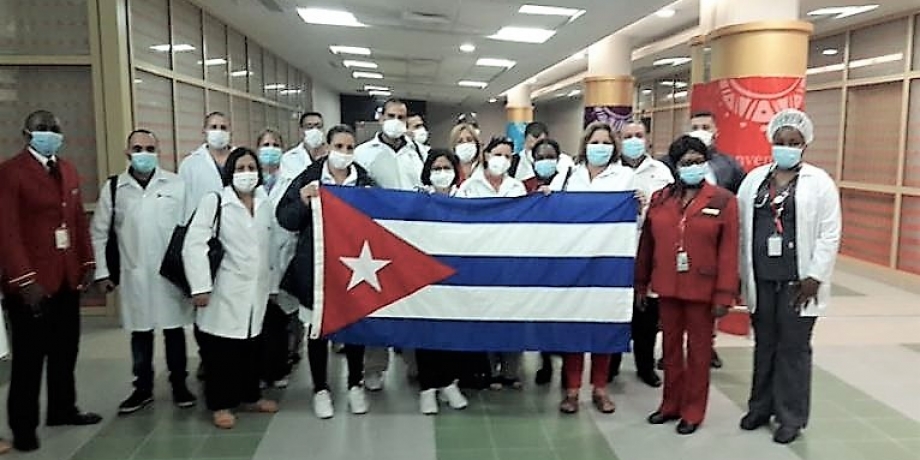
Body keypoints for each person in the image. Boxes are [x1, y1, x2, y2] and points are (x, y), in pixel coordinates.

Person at [0, 110, 103, 452]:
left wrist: (87, 262)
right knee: (29, 361)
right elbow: (8, 231)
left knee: (65, 352)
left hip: (65, 278)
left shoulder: (68, 169)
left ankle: (63, 408)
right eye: (43, 128)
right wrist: (24, 279)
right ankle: (23, 428)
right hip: (31, 285)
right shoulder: (11, 172)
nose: (50, 134)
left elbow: (76, 220)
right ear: (26, 133)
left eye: (55, 128)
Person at [738, 109, 841, 445]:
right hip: (762, 278)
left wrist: (815, 275)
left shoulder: (820, 183)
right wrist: (741, 276)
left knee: (793, 348)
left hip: (800, 283)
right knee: (764, 344)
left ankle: (790, 416)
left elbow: (830, 233)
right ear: (771, 142)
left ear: (805, 145)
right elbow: (741, 230)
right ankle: (760, 407)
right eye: (780, 142)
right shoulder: (754, 181)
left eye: (793, 143)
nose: (786, 147)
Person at [637, 135, 739, 435]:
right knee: (669, 350)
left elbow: (729, 251)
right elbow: (647, 245)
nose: (692, 167)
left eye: (698, 162)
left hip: (703, 290)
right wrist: (641, 284)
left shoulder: (723, 200)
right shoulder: (661, 198)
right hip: (667, 286)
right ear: (676, 166)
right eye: (686, 163)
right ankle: (670, 404)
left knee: (699, 353)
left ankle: (693, 411)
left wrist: (725, 294)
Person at [90, 129, 196, 415]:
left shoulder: (176, 184)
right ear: (128, 153)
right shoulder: (115, 189)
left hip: (170, 274)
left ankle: (179, 385)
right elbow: (99, 233)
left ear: (157, 152)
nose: (144, 153)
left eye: (150, 148)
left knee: (174, 332)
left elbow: (190, 229)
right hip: (134, 273)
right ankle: (142, 388)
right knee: (141, 334)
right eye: (138, 148)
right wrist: (102, 272)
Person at [277, 125, 372, 419]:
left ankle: (355, 383)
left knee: (354, 326)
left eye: (349, 147)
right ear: (327, 147)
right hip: (315, 264)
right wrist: (304, 200)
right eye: (339, 146)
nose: (344, 153)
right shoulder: (309, 177)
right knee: (318, 329)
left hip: (355, 267)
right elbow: (285, 217)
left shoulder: (364, 180)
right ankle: (320, 388)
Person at [184, 147, 278, 429]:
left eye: (251, 168)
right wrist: (200, 287)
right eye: (240, 168)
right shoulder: (215, 202)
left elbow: (270, 246)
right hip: (223, 288)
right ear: (229, 173)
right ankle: (220, 404)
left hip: (256, 291)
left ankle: (250, 396)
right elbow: (194, 245)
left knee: (250, 346)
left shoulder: (264, 204)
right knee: (221, 351)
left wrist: (271, 284)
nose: (246, 174)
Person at [548, 122, 636, 414]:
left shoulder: (625, 176)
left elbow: (634, 221)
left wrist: (640, 204)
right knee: (574, 325)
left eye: (606, 142)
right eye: (595, 141)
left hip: (609, 262)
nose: (600, 147)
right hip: (574, 261)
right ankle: (572, 390)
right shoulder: (568, 175)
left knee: (604, 325)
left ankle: (600, 388)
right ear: (585, 144)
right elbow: (555, 214)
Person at [663, 111, 745, 370]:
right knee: (672, 335)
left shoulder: (729, 166)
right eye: (695, 126)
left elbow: (739, 200)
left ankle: (708, 347)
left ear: (716, 130)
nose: (700, 130)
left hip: (709, 253)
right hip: (674, 258)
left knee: (702, 329)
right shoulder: (667, 167)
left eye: (705, 126)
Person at [354, 98, 425, 391]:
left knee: (412, 304)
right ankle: (374, 367)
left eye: (402, 116)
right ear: (381, 117)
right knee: (378, 304)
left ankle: (414, 363)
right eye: (391, 115)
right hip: (376, 240)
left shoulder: (419, 153)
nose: (396, 121)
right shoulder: (362, 153)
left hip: (413, 239)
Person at [608, 122, 674, 388]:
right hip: (614, 252)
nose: (633, 140)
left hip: (650, 252)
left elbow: (671, 210)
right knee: (614, 313)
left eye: (638, 136)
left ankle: (645, 366)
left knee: (647, 315)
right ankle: (609, 366)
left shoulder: (661, 172)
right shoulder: (610, 172)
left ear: (647, 139)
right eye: (627, 137)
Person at [458, 136, 527, 389]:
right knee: (484, 313)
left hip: (510, 262)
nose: (502, 160)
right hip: (480, 262)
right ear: (486, 155)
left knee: (511, 314)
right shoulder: (468, 187)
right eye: (498, 154)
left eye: (508, 156)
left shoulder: (517, 187)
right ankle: (487, 369)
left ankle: (510, 371)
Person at [413, 148, 471, 414]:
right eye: (436, 168)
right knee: (426, 331)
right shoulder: (419, 199)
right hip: (423, 275)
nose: (442, 173)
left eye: (447, 167)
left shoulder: (467, 198)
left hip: (457, 274)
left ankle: (448, 383)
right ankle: (427, 388)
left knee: (451, 332)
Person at [256, 129, 298, 389]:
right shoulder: (248, 181)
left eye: (275, 144)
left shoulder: (291, 181)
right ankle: (258, 371)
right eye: (265, 144)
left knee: (281, 321)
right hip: (256, 258)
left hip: (283, 255)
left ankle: (279, 368)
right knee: (259, 321)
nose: (270, 149)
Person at [179, 111, 234, 219]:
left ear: (231, 132)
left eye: (223, 128)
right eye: (213, 127)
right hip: (203, 226)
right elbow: (183, 204)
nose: (218, 132)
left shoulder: (241, 160)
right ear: (204, 131)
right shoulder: (189, 164)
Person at [281, 111, 326, 179]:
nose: (315, 130)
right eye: (309, 127)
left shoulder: (331, 155)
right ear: (301, 130)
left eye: (318, 126)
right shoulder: (288, 158)